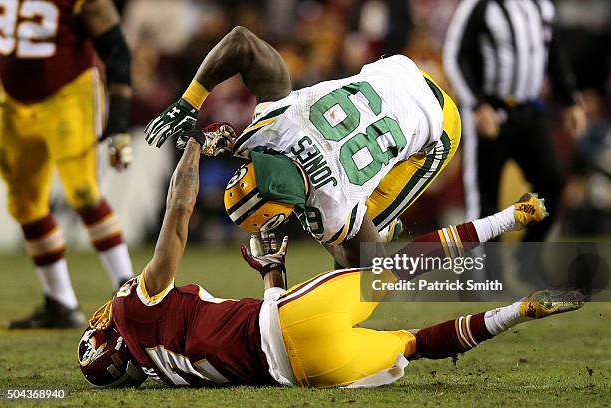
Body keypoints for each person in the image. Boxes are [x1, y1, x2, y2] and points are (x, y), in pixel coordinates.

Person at [78, 137, 585, 389]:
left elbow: (259, 344)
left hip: (307, 368)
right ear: (112, 335)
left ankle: (520, 310)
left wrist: (273, 272)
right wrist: (193, 146)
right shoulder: (134, 309)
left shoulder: (166, 371)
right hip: (288, 318)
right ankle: (509, 218)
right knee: (396, 267)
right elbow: (179, 212)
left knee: (417, 343)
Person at [143, 26, 461, 268]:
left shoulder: (333, 207)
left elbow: (369, 268)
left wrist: (277, 267)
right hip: (397, 71)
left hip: (440, 122)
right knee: (348, 227)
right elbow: (241, 39)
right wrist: (190, 102)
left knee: (357, 254)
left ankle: (381, 229)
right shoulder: (278, 121)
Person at [0, 0, 135, 329]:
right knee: (24, 202)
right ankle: (60, 301)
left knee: (83, 192)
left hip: (67, 95)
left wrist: (117, 125)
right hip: (12, 99)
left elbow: (117, 51)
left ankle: (131, 294)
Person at [443, 0, 587, 242]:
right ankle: (485, 277)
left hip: (529, 110)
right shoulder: (479, 5)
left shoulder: (540, 5)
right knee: (484, 202)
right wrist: (477, 105)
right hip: (490, 114)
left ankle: (528, 261)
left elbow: (552, 51)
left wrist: (570, 99)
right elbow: (454, 57)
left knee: (552, 180)